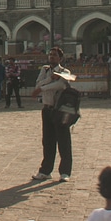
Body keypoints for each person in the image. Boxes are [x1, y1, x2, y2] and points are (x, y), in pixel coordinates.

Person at [31, 46, 76, 182]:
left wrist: (43, 88)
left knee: (63, 141)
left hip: (60, 111)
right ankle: (45, 170)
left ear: (60, 58)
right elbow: (37, 85)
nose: (52, 57)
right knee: (48, 142)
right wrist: (50, 78)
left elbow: (61, 85)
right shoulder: (45, 70)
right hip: (47, 108)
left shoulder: (65, 71)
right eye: (50, 55)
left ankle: (65, 172)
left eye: (55, 55)